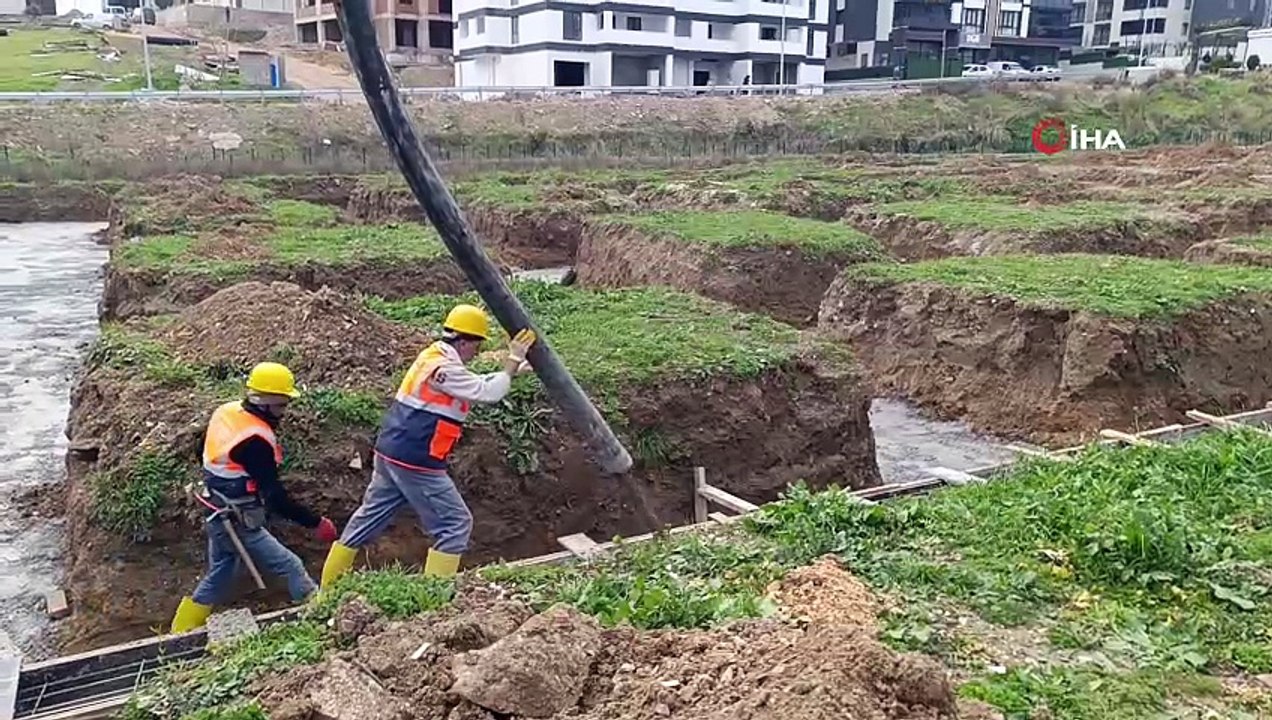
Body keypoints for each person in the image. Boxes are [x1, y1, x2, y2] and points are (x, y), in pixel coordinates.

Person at [319, 304, 536, 586]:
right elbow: (487, 393)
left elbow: (468, 384)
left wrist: (512, 372)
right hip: (416, 459)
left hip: (391, 453)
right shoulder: (445, 367)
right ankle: (434, 599)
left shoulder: (433, 357)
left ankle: (327, 590)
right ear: (464, 341)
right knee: (455, 525)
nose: (477, 352)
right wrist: (512, 359)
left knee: (368, 518)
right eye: (477, 346)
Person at [169, 362, 339, 633]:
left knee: (222, 571)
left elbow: (201, 448)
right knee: (291, 567)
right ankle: (321, 622)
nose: (284, 413)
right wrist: (315, 522)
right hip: (235, 518)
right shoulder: (255, 440)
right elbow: (275, 497)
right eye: (281, 405)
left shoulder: (227, 412)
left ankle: (179, 631)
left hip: (217, 506)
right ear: (265, 402)